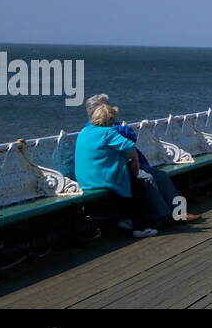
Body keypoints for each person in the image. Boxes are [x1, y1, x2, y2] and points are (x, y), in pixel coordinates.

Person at [84, 93, 200, 225]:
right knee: (148, 178)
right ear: (96, 111)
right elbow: (128, 135)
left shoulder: (109, 126)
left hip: (131, 163)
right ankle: (164, 216)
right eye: (107, 105)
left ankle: (179, 213)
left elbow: (129, 135)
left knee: (161, 175)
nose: (110, 108)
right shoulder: (97, 128)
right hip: (119, 168)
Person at [74, 102, 156, 238]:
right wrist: (135, 162)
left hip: (85, 179)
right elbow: (129, 146)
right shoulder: (107, 132)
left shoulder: (84, 132)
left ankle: (126, 219)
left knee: (129, 184)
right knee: (137, 187)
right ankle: (140, 227)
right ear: (110, 119)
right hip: (102, 179)